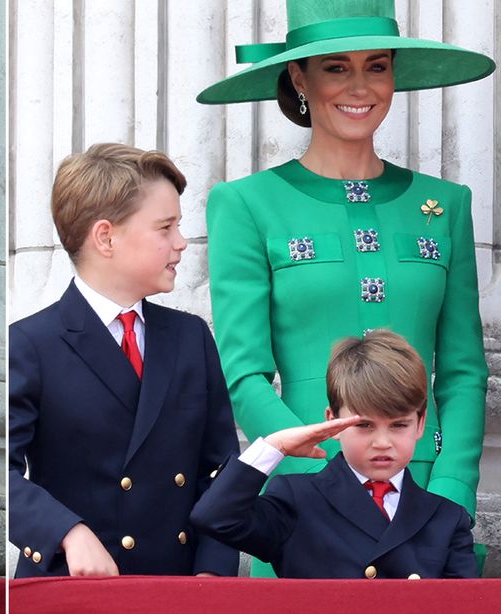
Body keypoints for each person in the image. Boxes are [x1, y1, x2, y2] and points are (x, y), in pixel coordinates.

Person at [197, 0, 493, 575]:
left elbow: (462, 371)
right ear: (299, 78)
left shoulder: (446, 205)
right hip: (303, 503)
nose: (360, 86)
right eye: (336, 67)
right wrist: (322, 488)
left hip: (422, 499)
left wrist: (452, 492)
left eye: (377, 66)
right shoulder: (244, 204)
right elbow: (244, 375)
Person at [8, 143, 239, 577]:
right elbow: (1, 474)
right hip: (71, 589)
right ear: (106, 237)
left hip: (179, 589)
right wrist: (67, 531)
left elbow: (219, 469)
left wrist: (214, 570)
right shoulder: (29, 345)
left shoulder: (190, 337)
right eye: (165, 227)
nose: (181, 242)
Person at [191, 330, 476, 579]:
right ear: (332, 421)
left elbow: (464, 604)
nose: (382, 442)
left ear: (421, 424)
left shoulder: (447, 518)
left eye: (399, 425)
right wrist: (274, 446)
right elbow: (215, 517)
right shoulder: (297, 499)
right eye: (364, 425)